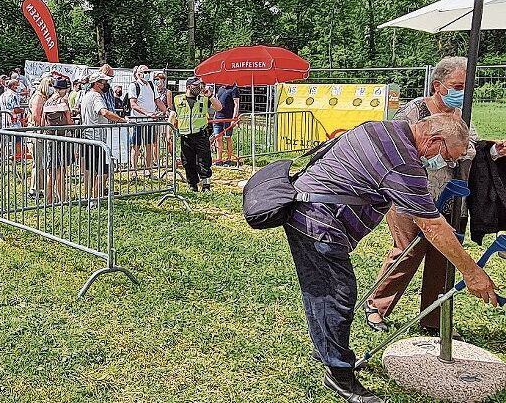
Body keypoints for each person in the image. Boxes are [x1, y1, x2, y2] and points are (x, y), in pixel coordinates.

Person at [282, 113, 498, 403]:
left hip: (307, 211)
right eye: (447, 156)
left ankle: (327, 349)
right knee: (337, 295)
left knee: (323, 291)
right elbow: (432, 226)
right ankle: (339, 376)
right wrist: (472, 273)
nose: (445, 163)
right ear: (434, 140)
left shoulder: (383, 128)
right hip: (318, 222)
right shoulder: (403, 162)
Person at [364, 56, 506, 334]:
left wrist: (492, 153)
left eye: (467, 85)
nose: (462, 91)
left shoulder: (461, 115)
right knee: (408, 250)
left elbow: (470, 150)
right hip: (410, 195)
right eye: (457, 85)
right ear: (438, 85)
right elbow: (396, 150)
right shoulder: (415, 111)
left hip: (450, 198)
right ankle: (377, 305)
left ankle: (432, 318)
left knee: (444, 255)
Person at [80, 72, 128, 202]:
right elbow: (104, 112)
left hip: (88, 137)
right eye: (104, 82)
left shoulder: (86, 95)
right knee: (104, 171)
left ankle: (88, 197)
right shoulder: (96, 96)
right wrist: (122, 120)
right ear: (97, 84)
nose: (106, 85)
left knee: (90, 171)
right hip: (97, 139)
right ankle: (95, 199)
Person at [169, 77, 222, 192]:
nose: (199, 88)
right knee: (188, 162)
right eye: (196, 86)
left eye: (200, 85)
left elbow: (219, 107)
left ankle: (206, 185)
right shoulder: (178, 99)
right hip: (185, 137)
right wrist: (168, 132)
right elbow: (172, 116)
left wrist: (210, 96)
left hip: (201, 135)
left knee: (204, 161)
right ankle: (192, 185)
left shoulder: (203, 98)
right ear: (188, 87)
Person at [128, 64, 168, 178]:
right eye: (144, 72)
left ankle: (148, 170)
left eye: (148, 72)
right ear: (138, 73)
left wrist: (166, 111)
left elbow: (158, 101)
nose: (146, 74)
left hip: (150, 121)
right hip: (138, 121)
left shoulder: (151, 84)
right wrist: (146, 113)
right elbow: (133, 104)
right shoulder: (134, 86)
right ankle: (133, 171)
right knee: (136, 147)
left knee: (149, 146)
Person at [42, 78, 74, 203]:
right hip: (62, 137)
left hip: (50, 137)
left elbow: (42, 122)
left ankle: (49, 199)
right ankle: (63, 198)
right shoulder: (63, 101)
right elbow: (69, 120)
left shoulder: (47, 102)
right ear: (63, 89)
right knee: (61, 170)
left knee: (51, 171)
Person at [27, 75, 54, 197]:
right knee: (38, 162)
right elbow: (36, 116)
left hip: (41, 133)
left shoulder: (43, 97)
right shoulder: (38, 97)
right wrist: (45, 127)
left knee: (42, 162)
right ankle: (34, 189)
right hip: (37, 133)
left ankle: (40, 188)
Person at [213, 85, 242, 166]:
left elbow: (236, 104)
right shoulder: (220, 89)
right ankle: (219, 159)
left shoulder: (234, 89)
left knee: (228, 138)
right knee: (218, 138)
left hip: (228, 118)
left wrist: (234, 118)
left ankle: (229, 159)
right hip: (218, 117)